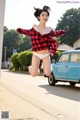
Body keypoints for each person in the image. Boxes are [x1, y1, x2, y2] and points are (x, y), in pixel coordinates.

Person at [16, 6, 65, 77]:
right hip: (36, 54)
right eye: (43, 15)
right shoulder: (35, 28)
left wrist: (62, 32)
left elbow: (55, 33)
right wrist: (20, 30)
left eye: (47, 15)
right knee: (34, 74)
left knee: (48, 73)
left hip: (46, 54)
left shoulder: (49, 29)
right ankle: (31, 68)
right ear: (38, 17)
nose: (45, 17)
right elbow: (28, 32)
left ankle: (43, 65)